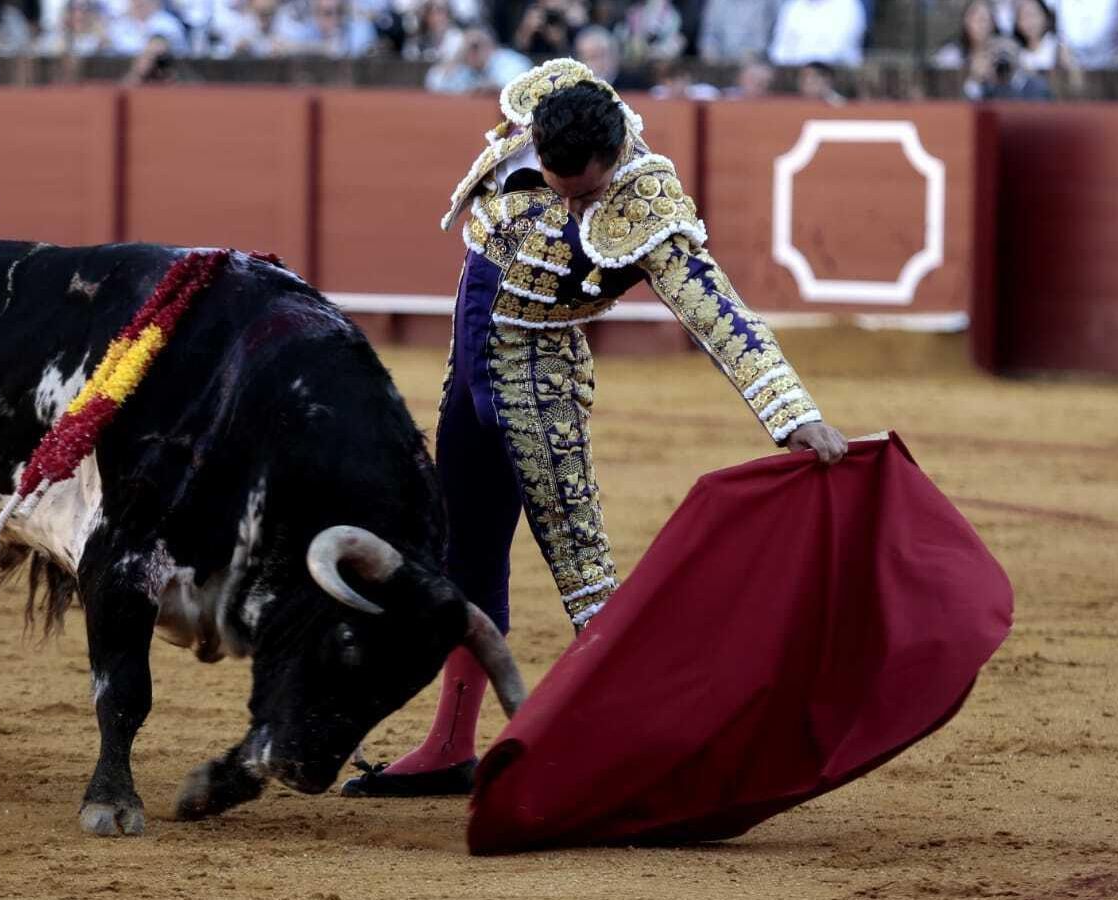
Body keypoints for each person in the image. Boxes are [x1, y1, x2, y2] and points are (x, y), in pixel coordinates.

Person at [342, 59, 846, 797]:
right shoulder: (540, 110)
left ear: (613, 159)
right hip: (471, 358)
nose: (568, 198)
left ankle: (662, 759)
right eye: (556, 180)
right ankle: (451, 746)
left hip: (541, 382)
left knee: (585, 578)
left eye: (584, 190)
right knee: (464, 561)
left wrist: (793, 412)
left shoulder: (647, 204)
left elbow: (716, 310)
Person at [424, 24, 529, 92]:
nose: (471, 52)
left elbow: (518, 88)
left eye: (475, 46)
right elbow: (435, 83)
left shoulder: (511, 61)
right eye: (467, 48)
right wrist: (457, 58)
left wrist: (489, 87)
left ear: (490, 45)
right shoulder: (465, 67)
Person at [768, 0, 866, 68]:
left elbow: (838, 49)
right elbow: (779, 47)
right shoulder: (792, 6)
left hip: (836, 72)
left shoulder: (849, 6)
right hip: (792, 72)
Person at [697, 0, 777, 62]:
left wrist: (742, 62)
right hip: (719, 67)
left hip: (753, 66)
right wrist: (711, 56)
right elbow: (708, 37)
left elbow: (761, 43)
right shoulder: (717, 2)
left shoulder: (766, 3)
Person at [934, 0, 995, 69]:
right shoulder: (950, 54)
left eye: (983, 20)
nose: (980, 26)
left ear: (992, 24)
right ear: (965, 21)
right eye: (975, 19)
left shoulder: (999, 55)